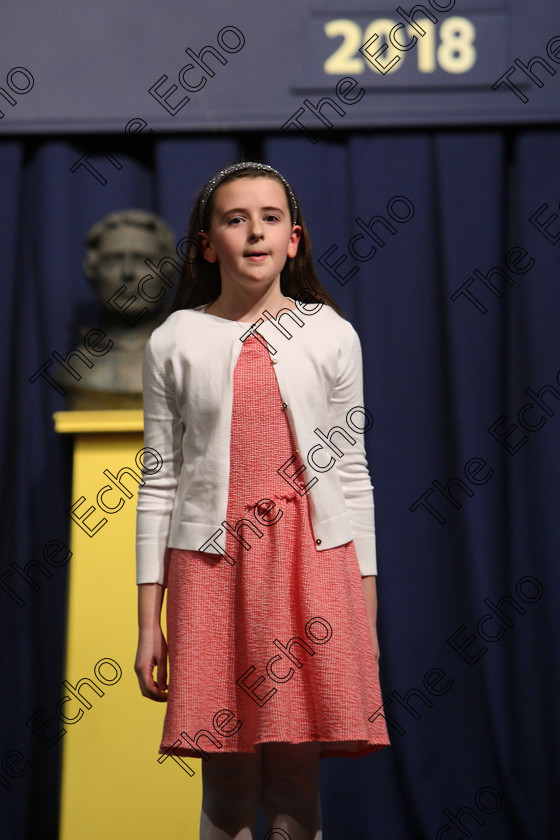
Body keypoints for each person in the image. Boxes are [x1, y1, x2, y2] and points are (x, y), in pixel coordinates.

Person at [134, 161, 390, 840]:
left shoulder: (331, 334)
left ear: (294, 240)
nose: (255, 232)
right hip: (214, 574)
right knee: (227, 775)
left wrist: (363, 608)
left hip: (311, 567)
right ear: (206, 242)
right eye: (235, 218)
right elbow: (158, 481)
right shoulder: (174, 340)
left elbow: (353, 473)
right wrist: (147, 621)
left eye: (270, 218)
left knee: (294, 777)